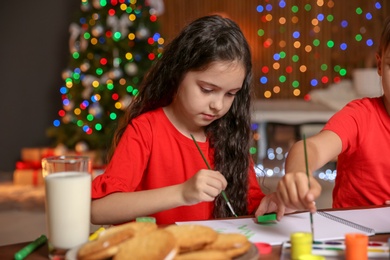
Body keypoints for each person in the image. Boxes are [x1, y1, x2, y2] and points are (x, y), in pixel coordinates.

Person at [90, 15, 281, 225]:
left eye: (230, 94)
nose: (218, 105)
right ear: (178, 73)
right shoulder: (145, 130)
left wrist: (273, 203)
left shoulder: (230, 135)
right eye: (207, 90)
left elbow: (252, 207)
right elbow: (99, 210)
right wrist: (182, 193)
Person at [276, 17, 390, 214]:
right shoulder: (360, 116)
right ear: (380, 66)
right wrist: (299, 173)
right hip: (352, 236)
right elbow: (309, 148)